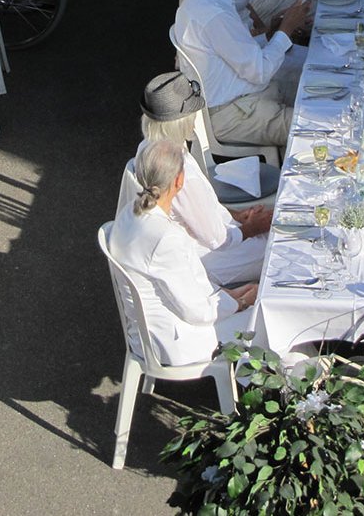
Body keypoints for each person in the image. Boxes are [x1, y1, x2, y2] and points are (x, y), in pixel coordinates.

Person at [108, 139, 258, 367]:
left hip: (149, 333)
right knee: (266, 320)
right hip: (175, 341)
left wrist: (233, 295)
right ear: (179, 181)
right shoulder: (164, 237)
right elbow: (198, 312)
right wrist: (242, 302)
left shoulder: (129, 213)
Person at [119, 72, 271, 285]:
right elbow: (217, 240)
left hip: (191, 247)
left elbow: (197, 212)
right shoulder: (180, 171)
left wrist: (238, 216)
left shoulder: (147, 147)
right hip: (201, 261)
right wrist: (254, 226)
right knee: (280, 246)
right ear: (182, 122)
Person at [175, 0, 309, 148]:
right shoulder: (214, 14)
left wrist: (272, 33)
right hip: (231, 112)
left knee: (317, 87)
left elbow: (238, 53)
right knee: (316, 126)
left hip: (239, 97)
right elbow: (260, 70)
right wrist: (286, 30)